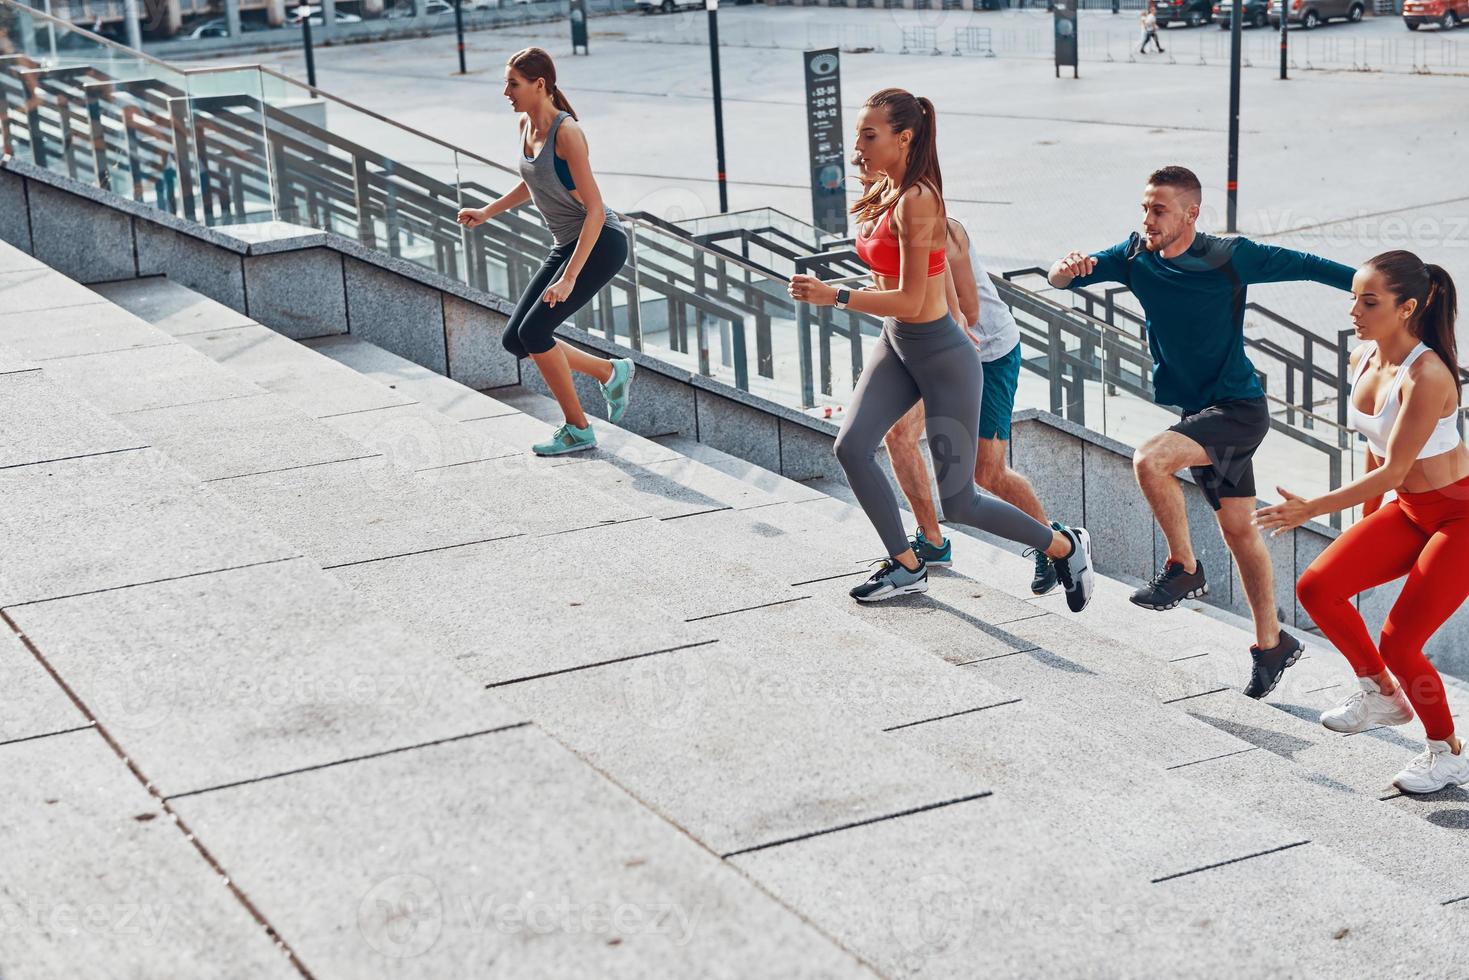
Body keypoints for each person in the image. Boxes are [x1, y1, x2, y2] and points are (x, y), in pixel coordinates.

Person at [1048, 165, 1355, 698]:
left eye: (1159, 209)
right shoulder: (1134, 254)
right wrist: (1063, 267)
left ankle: (1184, 568)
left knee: (1151, 459)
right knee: (1239, 531)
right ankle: (1272, 644)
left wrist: (1380, 290)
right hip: (1202, 415)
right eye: (1144, 208)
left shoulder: (1227, 256)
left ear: (1191, 213)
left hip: (1237, 408)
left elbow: (1307, 265)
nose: (1148, 219)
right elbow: (1064, 277)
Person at [790, 88, 1095, 609]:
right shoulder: (884, 190)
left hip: (941, 356)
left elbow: (913, 299)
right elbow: (914, 283)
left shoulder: (921, 199)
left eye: (869, 135)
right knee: (851, 446)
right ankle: (907, 566)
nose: (857, 147)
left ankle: (1065, 546)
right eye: (857, 135)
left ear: (903, 137)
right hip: (898, 341)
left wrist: (835, 296)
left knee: (963, 500)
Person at [1257, 253, 1469, 793]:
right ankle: (1381, 694)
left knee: (1401, 641)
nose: (1355, 309)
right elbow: (1377, 454)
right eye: (1353, 297)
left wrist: (1312, 508)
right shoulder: (1362, 359)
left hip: (1459, 516)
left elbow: (1398, 466)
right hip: (1409, 509)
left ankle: (1446, 750)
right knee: (1318, 587)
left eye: (1369, 301)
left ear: (1408, 308)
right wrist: (1366, 522)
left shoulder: (1428, 374)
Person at [848, 148, 1061, 596]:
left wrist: (893, 303)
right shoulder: (878, 218)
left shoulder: (945, 229)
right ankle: (932, 541)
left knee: (987, 473)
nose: (859, 170)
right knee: (897, 436)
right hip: (930, 349)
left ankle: (1054, 544)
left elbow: (968, 308)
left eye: (867, 166)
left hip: (986, 351)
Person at [456, 46, 633, 456]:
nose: (506, 92)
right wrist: (487, 212)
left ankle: (578, 428)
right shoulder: (524, 124)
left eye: (512, 84)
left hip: (600, 243)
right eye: (506, 83)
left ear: (539, 85)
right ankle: (611, 371)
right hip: (567, 243)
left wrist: (569, 277)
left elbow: (593, 210)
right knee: (517, 340)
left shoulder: (567, 133)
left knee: (536, 333)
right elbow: (536, 179)